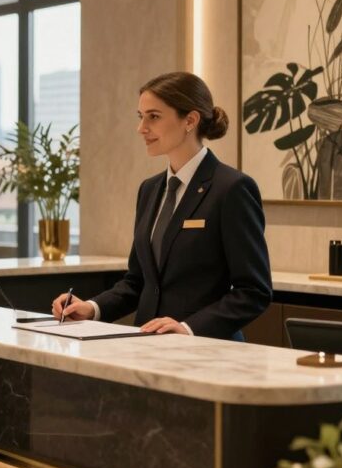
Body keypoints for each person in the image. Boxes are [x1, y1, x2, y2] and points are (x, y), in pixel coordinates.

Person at [52, 72, 271, 340]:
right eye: (140, 116)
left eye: (153, 117)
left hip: (208, 352)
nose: (141, 128)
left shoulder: (232, 189)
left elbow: (254, 292)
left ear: (190, 120)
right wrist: (91, 308)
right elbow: (138, 282)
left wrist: (189, 328)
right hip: (146, 346)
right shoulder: (149, 190)